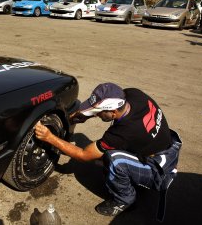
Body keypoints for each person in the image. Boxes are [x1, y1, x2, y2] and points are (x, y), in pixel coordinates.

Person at [35, 83, 182, 220]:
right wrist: (87, 114)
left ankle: (125, 199)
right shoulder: (133, 94)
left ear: (112, 112)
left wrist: (50, 137)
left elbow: (83, 155)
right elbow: (110, 110)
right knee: (107, 153)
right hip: (163, 142)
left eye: (98, 112)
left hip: (160, 167)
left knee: (114, 159)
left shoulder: (122, 134)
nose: (97, 115)